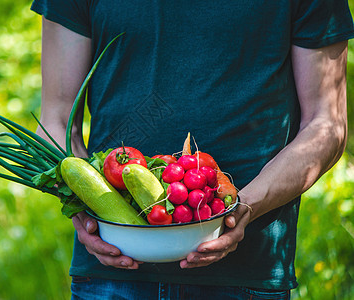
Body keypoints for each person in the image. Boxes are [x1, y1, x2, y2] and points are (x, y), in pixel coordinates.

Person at [32, 1, 354, 299]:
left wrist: (245, 207)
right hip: (110, 269)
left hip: (246, 271)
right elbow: (56, 122)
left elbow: (326, 126)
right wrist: (82, 208)